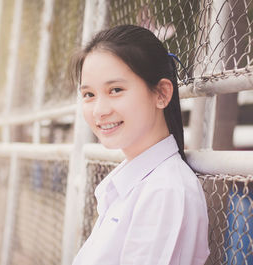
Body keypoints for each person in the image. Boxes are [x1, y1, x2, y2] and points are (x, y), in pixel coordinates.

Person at [70, 25, 210, 265]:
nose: (100, 111)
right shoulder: (135, 183)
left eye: (116, 90)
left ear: (162, 94)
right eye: (89, 95)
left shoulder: (164, 191)